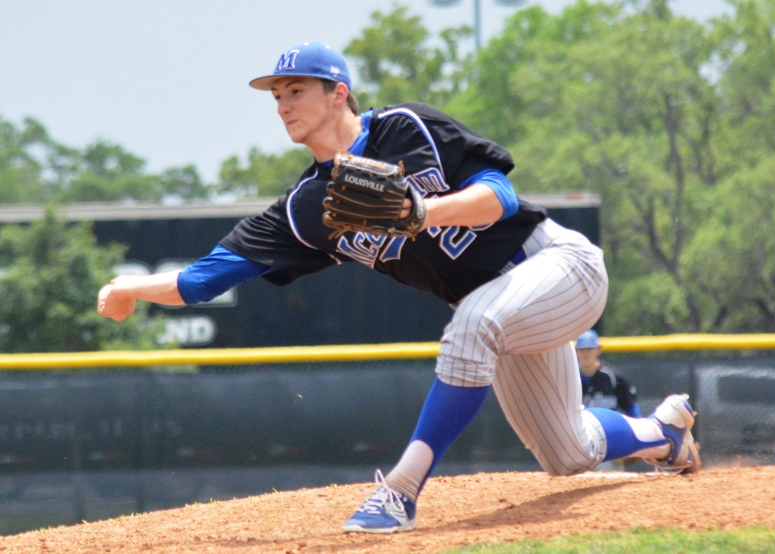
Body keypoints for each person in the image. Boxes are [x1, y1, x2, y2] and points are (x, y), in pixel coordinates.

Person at [97, 41, 700, 534]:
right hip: (499, 315)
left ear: (339, 93)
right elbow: (203, 280)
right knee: (566, 453)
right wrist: (132, 288)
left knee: (471, 325)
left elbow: (501, 197)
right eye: (277, 96)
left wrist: (422, 213)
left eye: (296, 90)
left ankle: (400, 492)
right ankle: (664, 433)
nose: (283, 104)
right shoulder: (308, 209)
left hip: (558, 267)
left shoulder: (404, 129)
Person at [576, 329, 642, 418]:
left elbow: (630, 406)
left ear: (598, 350)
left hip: (609, 427)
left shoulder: (611, 376)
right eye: (581, 349)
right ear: (576, 351)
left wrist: (638, 424)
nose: (585, 353)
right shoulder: (572, 378)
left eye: (589, 349)